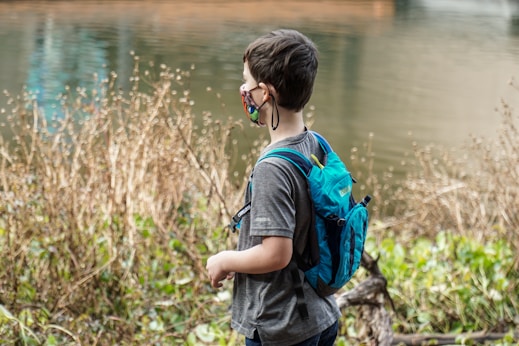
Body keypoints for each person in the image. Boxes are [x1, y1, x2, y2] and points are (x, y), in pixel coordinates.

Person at [206, 29, 340, 346]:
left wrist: (225, 260)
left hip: (283, 327)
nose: (243, 90)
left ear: (264, 93)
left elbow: (277, 253)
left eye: (247, 82)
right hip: (320, 315)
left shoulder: (272, 168)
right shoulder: (316, 144)